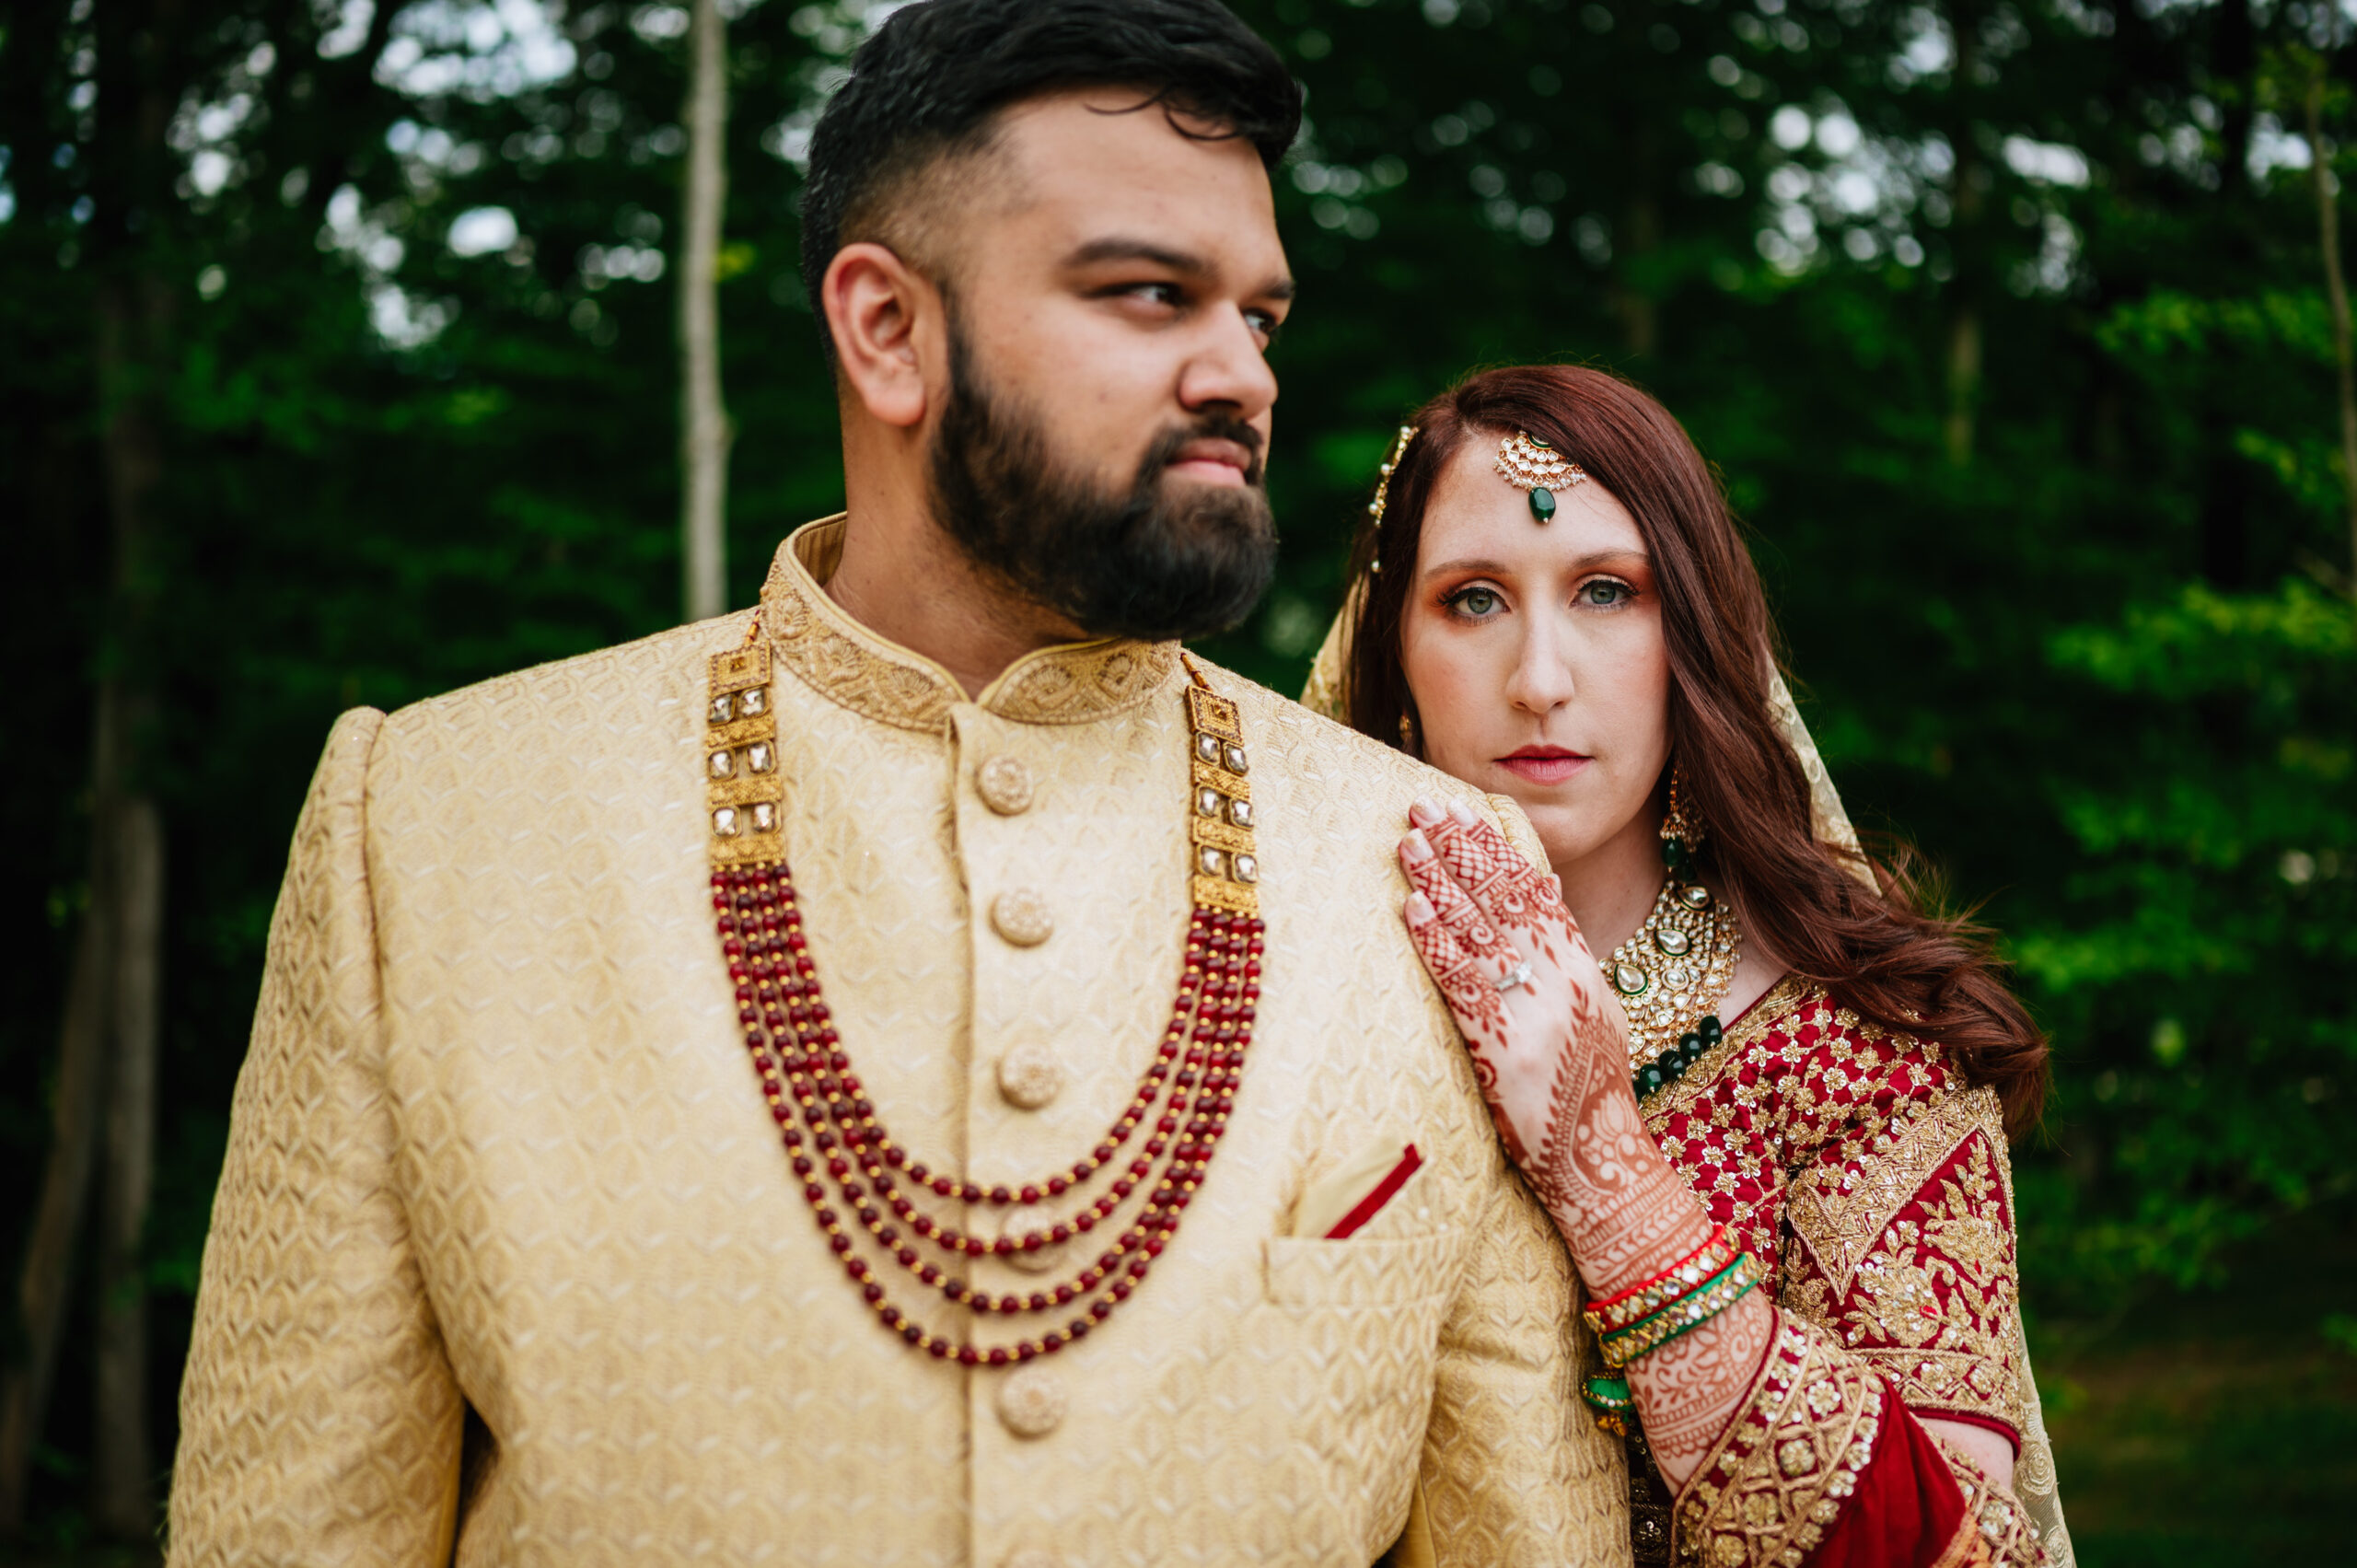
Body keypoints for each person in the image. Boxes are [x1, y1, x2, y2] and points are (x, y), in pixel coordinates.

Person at [165, 6, 1631, 1564]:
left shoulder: (1427, 866)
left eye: (1259, 319)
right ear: (886, 329)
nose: (1240, 377)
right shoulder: (442, 825)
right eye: (1150, 296)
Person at [1304, 364, 2074, 1568]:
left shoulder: (1860, 1043)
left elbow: (1958, 1553)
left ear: (1695, 644)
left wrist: (1602, 1166)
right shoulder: (1282, 1000)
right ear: (1393, 651)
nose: (1540, 679)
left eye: (1608, 591)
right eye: (1472, 601)